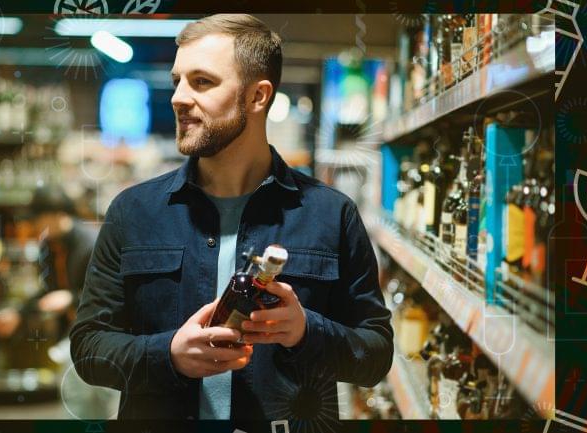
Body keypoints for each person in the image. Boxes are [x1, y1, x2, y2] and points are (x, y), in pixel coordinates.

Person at [70, 14, 393, 423]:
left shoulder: (331, 214)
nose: (178, 98)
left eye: (201, 82)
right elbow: (88, 348)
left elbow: (376, 354)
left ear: (258, 96)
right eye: (177, 81)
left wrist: (304, 331)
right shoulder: (133, 212)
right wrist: (168, 354)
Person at [0, 184, 98, 340]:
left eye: (38, 219)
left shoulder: (91, 244)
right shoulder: (49, 244)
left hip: (98, 332)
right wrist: (18, 313)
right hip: (73, 333)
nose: (35, 225)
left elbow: (107, 294)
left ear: (57, 215)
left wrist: (71, 298)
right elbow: (50, 288)